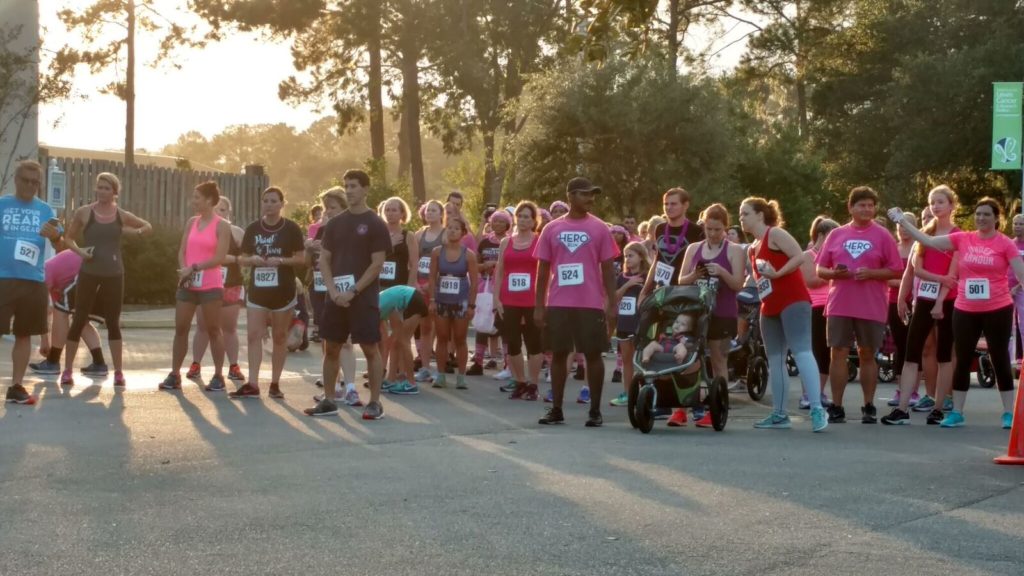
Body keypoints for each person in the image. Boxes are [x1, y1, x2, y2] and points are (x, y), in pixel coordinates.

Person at [887, 197, 1024, 428]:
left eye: (986, 215)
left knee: (999, 357)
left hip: (997, 308)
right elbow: (927, 241)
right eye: (978, 214)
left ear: (997, 218)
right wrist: (902, 220)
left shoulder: (1005, 244)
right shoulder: (963, 238)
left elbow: (1021, 275)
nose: (981, 218)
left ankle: (1008, 413)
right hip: (965, 309)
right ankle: (957, 412)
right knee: (961, 359)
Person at [534, 177, 619, 427]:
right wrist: (539, 306)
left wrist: (611, 303)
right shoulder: (552, 229)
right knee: (559, 354)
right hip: (559, 302)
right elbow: (542, 270)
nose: (591, 199)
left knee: (593, 355)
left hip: (590, 303)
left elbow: (608, 270)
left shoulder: (600, 228)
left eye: (593, 194)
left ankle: (594, 411)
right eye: (585, 194)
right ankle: (556, 409)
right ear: (570, 196)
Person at [304, 170, 389, 419]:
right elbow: (325, 260)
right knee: (331, 348)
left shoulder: (375, 223)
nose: (349, 190)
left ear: (365, 189)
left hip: (362, 297)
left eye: (353, 186)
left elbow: (377, 264)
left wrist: (354, 290)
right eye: (346, 186)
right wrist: (333, 291)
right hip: (336, 297)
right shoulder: (335, 224)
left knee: (370, 348)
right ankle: (329, 400)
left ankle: (374, 402)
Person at [815, 186, 902, 424]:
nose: (866, 209)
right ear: (851, 207)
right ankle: (837, 405)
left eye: (870, 205)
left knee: (867, 353)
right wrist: (835, 273)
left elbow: (897, 269)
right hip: (840, 303)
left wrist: (873, 273)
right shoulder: (836, 234)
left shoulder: (883, 235)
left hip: (871, 304)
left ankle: (868, 405)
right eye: (861, 205)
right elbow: (820, 269)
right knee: (838, 352)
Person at [741, 197, 828, 432]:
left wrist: (777, 274)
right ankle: (779, 414)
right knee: (775, 360)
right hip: (769, 305)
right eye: (740, 215)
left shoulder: (775, 234)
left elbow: (800, 256)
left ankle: (818, 409)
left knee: (802, 352)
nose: (741, 219)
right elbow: (759, 278)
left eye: (745, 214)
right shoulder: (752, 247)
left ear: (760, 215)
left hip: (793, 300)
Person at [61, 172, 152, 387]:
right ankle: (67, 371)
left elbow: (147, 227)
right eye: (99, 187)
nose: (102, 191)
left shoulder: (121, 214)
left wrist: (133, 233)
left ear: (114, 192)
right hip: (89, 272)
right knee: (79, 319)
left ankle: (119, 372)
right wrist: (80, 252)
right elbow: (68, 238)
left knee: (113, 322)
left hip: (114, 273)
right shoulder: (84, 212)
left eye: (106, 188)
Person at [883, 187, 960, 425]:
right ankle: (903, 408)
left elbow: (953, 274)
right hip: (924, 300)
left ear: (951, 205)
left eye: (940, 202)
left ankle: (938, 406)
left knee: (945, 353)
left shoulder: (958, 235)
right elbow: (915, 268)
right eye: (932, 202)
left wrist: (940, 298)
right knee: (911, 351)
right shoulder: (924, 234)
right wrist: (902, 297)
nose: (936, 206)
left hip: (948, 300)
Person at [230, 187, 306, 400]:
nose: (269, 204)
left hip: (283, 290)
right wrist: (251, 259)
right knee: (254, 334)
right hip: (258, 291)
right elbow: (242, 258)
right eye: (266, 201)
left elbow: (301, 259)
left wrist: (281, 260)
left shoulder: (290, 228)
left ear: (282, 204)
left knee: (280, 337)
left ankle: (275, 383)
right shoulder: (254, 228)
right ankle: (253, 383)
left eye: (274, 201)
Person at [673, 203, 744, 427]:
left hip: (722, 312)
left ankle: (717, 408)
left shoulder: (733, 250)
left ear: (725, 228)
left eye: (717, 229)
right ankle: (682, 408)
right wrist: (696, 274)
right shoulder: (694, 248)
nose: (713, 234)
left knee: (718, 359)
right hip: (695, 310)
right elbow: (680, 281)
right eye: (709, 229)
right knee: (686, 356)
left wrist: (721, 271)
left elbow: (738, 284)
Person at [158, 181, 232, 391]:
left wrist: (196, 267)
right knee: (180, 328)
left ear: (209, 200)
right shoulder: (192, 222)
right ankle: (175, 374)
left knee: (213, 329)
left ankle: (218, 375)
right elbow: (182, 250)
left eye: (197, 197)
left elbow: (219, 257)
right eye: (193, 197)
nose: (193, 201)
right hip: (188, 283)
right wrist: (184, 269)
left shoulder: (221, 225)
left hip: (210, 285)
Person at [2, 160, 61, 405]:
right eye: (25, 180)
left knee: (24, 335)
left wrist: (56, 236)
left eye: (35, 182)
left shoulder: (46, 210)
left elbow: (61, 245)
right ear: (16, 180)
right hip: (2, 278)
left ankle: (16, 386)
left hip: (32, 281)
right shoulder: (2, 204)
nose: (29, 186)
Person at [187, 196, 247, 383]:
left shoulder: (236, 232)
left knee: (229, 328)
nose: (218, 213)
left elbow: (246, 258)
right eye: (216, 209)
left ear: (229, 212)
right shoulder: (200, 229)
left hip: (230, 283)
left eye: (222, 210)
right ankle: (196, 364)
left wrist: (230, 259)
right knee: (203, 326)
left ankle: (234, 366)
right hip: (205, 283)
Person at [493, 201, 544, 400]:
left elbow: (546, 271)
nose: (523, 220)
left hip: (531, 300)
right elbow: (500, 272)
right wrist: (496, 298)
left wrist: (543, 299)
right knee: (512, 342)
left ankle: (533, 384)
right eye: (520, 216)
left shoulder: (539, 241)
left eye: (527, 217)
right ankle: (520, 381)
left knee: (533, 343)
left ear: (534, 221)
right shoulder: (506, 242)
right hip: (509, 299)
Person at [30, 247, 105, 376]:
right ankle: (99, 363)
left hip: (88, 271)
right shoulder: (54, 279)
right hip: (103, 273)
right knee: (81, 321)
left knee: (62, 312)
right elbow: (49, 310)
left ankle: (53, 361)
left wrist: (44, 341)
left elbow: (45, 310)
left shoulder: (42, 274)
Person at [428, 214, 479, 389]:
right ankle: (440, 375)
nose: (452, 231)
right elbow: (432, 278)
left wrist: (472, 305)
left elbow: (474, 283)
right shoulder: (437, 252)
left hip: (461, 302)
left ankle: (461, 377)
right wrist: (432, 300)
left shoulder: (469, 255)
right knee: (442, 338)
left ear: (463, 233)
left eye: (456, 229)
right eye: (449, 227)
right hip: (441, 300)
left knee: (460, 339)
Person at [800, 216, 839, 408]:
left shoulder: (831, 258)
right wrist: (833, 274)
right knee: (814, 351)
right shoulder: (808, 256)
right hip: (814, 306)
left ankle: (819, 392)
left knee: (826, 352)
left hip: (832, 307)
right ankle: (808, 393)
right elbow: (810, 281)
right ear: (821, 235)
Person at [468, 209, 510, 377]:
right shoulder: (484, 242)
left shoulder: (510, 241)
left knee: (505, 324)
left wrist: (499, 266)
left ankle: (508, 364)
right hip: (484, 287)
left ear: (508, 224)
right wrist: (485, 266)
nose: (498, 224)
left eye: (502, 221)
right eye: (495, 221)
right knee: (482, 323)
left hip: (503, 287)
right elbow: (474, 265)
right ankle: (478, 362)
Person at [641, 188, 703, 298]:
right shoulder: (659, 228)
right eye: (666, 204)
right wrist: (644, 291)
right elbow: (657, 260)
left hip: (684, 292)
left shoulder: (697, 231)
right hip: (659, 291)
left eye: (673, 204)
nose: (669, 207)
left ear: (685, 205)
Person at [609, 242, 649, 407]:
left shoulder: (647, 276)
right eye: (626, 256)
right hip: (624, 323)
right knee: (626, 360)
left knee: (642, 360)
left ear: (641, 257)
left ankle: (645, 392)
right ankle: (627, 393)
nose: (628, 259)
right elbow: (614, 297)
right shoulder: (622, 277)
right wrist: (628, 284)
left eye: (631, 255)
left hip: (639, 323)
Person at [413, 200, 445, 381]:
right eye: (427, 210)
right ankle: (425, 367)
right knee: (425, 328)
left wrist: (433, 283)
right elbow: (414, 260)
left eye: (434, 210)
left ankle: (440, 370)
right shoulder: (420, 234)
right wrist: (417, 283)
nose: (430, 213)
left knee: (440, 329)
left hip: (438, 286)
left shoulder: (446, 234)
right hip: (421, 284)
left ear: (441, 214)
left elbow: (450, 260)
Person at [378, 286, 428, 395]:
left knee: (404, 341)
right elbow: (385, 339)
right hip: (409, 299)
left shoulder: (374, 310)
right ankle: (391, 380)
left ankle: (411, 383)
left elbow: (379, 342)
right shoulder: (379, 306)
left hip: (412, 300)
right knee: (396, 342)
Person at [379, 196, 418, 291]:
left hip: (400, 286)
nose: (390, 213)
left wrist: (409, 289)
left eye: (394, 210)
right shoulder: (378, 234)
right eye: (387, 210)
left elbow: (414, 265)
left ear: (402, 213)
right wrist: (389, 245)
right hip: (379, 286)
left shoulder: (409, 236)